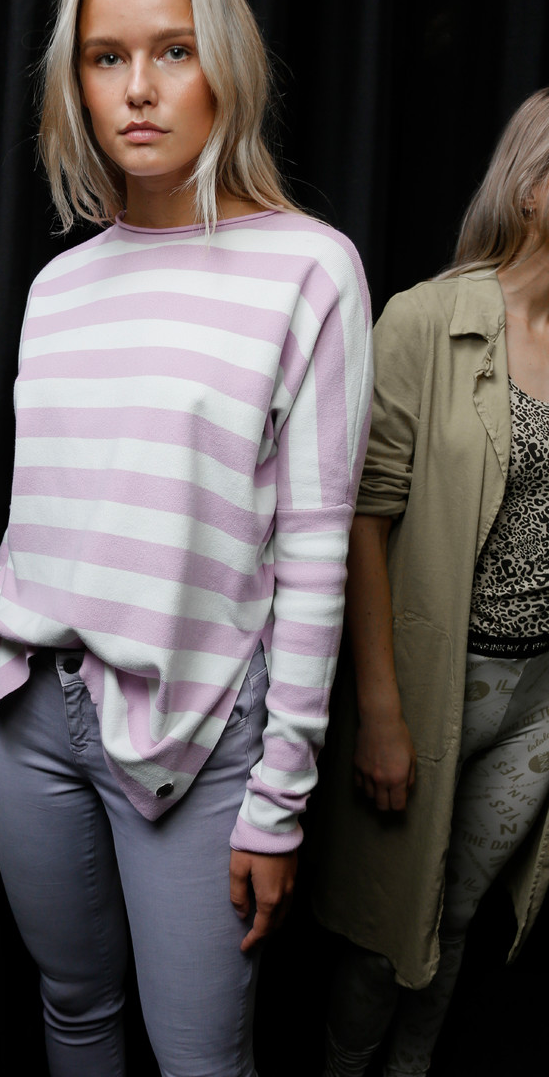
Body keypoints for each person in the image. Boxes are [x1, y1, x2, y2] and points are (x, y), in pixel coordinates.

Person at [0, 0, 373, 1077]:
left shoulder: (308, 268)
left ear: (222, 61)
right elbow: (38, 524)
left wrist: (278, 798)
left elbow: (315, 552)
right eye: (105, 57)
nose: (137, 89)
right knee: (72, 1009)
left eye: (172, 50)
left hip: (199, 729)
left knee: (198, 1061)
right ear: (74, 83)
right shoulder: (59, 288)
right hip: (30, 716)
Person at [312, 89, 549, 1077]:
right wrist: (378, 712)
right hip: (431, 688)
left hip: (538, 701)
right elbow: (361, 517)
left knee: (454, 922)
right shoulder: (424, 319)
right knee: (386, 936)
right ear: (531, 187)